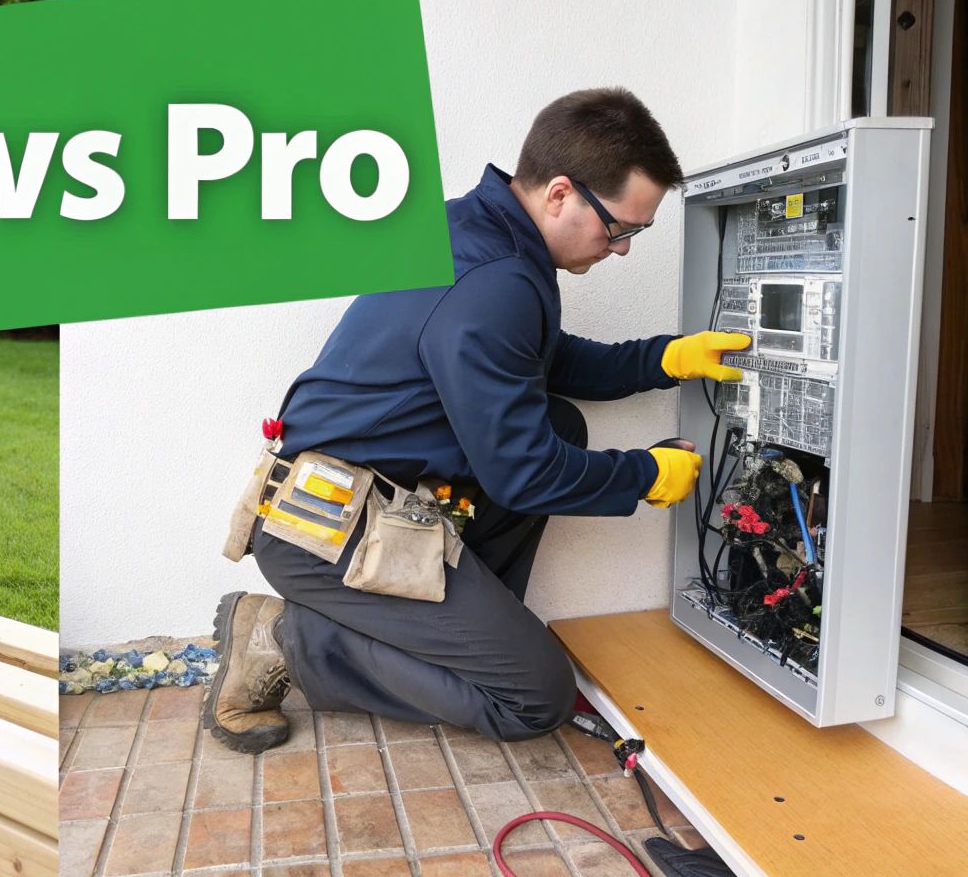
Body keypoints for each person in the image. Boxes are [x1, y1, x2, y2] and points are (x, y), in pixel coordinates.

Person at [203, 89, 746, 753]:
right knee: (530, 696)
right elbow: (523, 475)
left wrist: (665, 358)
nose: (624, 248)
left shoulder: (481, 236)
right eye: (620, 228)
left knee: (558, 423)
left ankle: (458, 636)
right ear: (559, 195)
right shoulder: (494, 280)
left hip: (370, 504)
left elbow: (542, 361)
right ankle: (285, 637)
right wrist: (644, 475)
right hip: (321, 533)